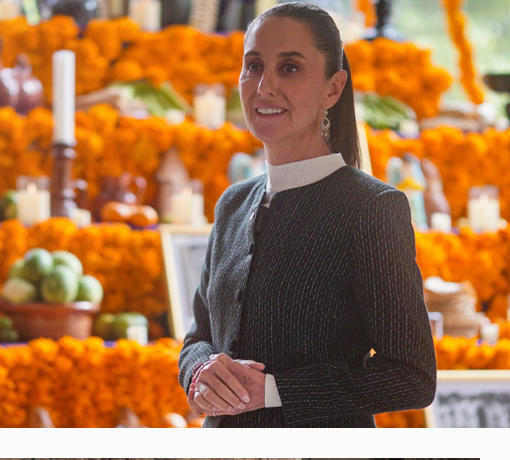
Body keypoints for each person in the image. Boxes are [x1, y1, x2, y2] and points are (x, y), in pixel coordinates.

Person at [178, 2, 436, 427]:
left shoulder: (369, 208)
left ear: (333, 88)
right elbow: (198, 338)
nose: (264, 86)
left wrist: (275, 390)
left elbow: (412, 377)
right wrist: (200, 371)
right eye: (254, 65)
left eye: (290, 68)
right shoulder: (232, 204)